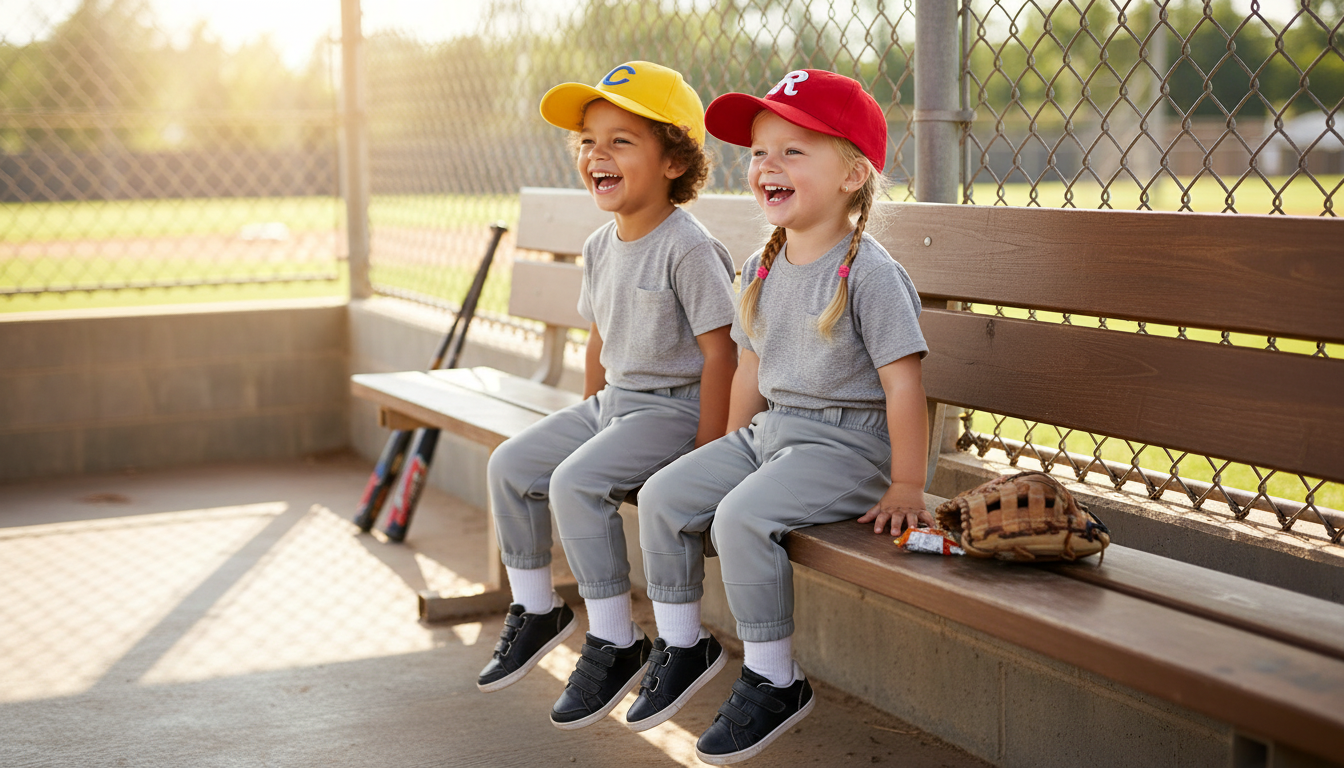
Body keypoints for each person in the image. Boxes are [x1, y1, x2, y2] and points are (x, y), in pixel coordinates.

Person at [633, 69, 933, 764]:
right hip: (774, 437)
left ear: (853, 173)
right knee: (664, 493)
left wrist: (909, 485)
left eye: (793, 150)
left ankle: (774, 679)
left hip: (849, 450)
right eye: (761, 152)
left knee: (741, 517)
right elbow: (750, 371)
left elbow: (904, 387)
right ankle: (683, 644)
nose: (768, 164)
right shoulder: (760, 267)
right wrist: (731, 449)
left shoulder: (870, 273)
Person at [476, 61, 739, 734]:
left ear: (674, 160)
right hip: (615, 404)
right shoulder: (600, 244)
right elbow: (599, 337)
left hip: (676, 410)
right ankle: (538, 609)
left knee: (574, 483)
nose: (598, 153)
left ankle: (617, 641)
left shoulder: (689, 247)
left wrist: (708, 455)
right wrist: (590, 409)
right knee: (510, 465)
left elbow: (722, 354)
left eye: (621, 140)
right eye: (590, 140)